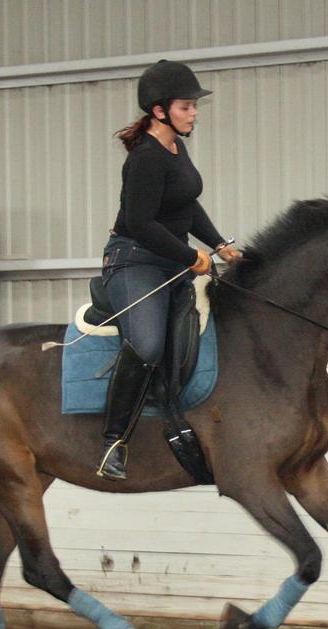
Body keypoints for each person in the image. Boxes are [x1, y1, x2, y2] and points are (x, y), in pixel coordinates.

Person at [97, 59, 242, 481]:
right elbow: (141, 223)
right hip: (134, 260)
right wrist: (189, 256)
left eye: (194, 106)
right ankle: (113, 442)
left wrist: (218, 243)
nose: (194, 113)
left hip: (170, 258)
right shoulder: (145, 158)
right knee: (145, 344)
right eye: (186, 106)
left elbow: (186, 204)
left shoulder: (176, 147)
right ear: (160, 111)